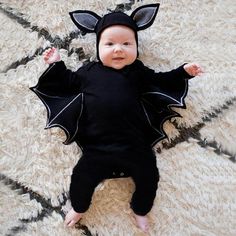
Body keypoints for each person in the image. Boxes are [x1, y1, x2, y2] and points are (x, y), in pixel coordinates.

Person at [30, 4, 203, 233]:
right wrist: (57, 64)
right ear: (98, 46)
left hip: (136, 147)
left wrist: (182, 72)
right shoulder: (88, 72)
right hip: (96, 149)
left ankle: (140, 209)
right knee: (81, 177)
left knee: (150, 176)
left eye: (127, 44)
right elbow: (67, 82)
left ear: (136, 47)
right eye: (109, 44)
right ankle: (79, 207)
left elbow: (162, 80)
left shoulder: (138, 73)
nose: (118, 49)